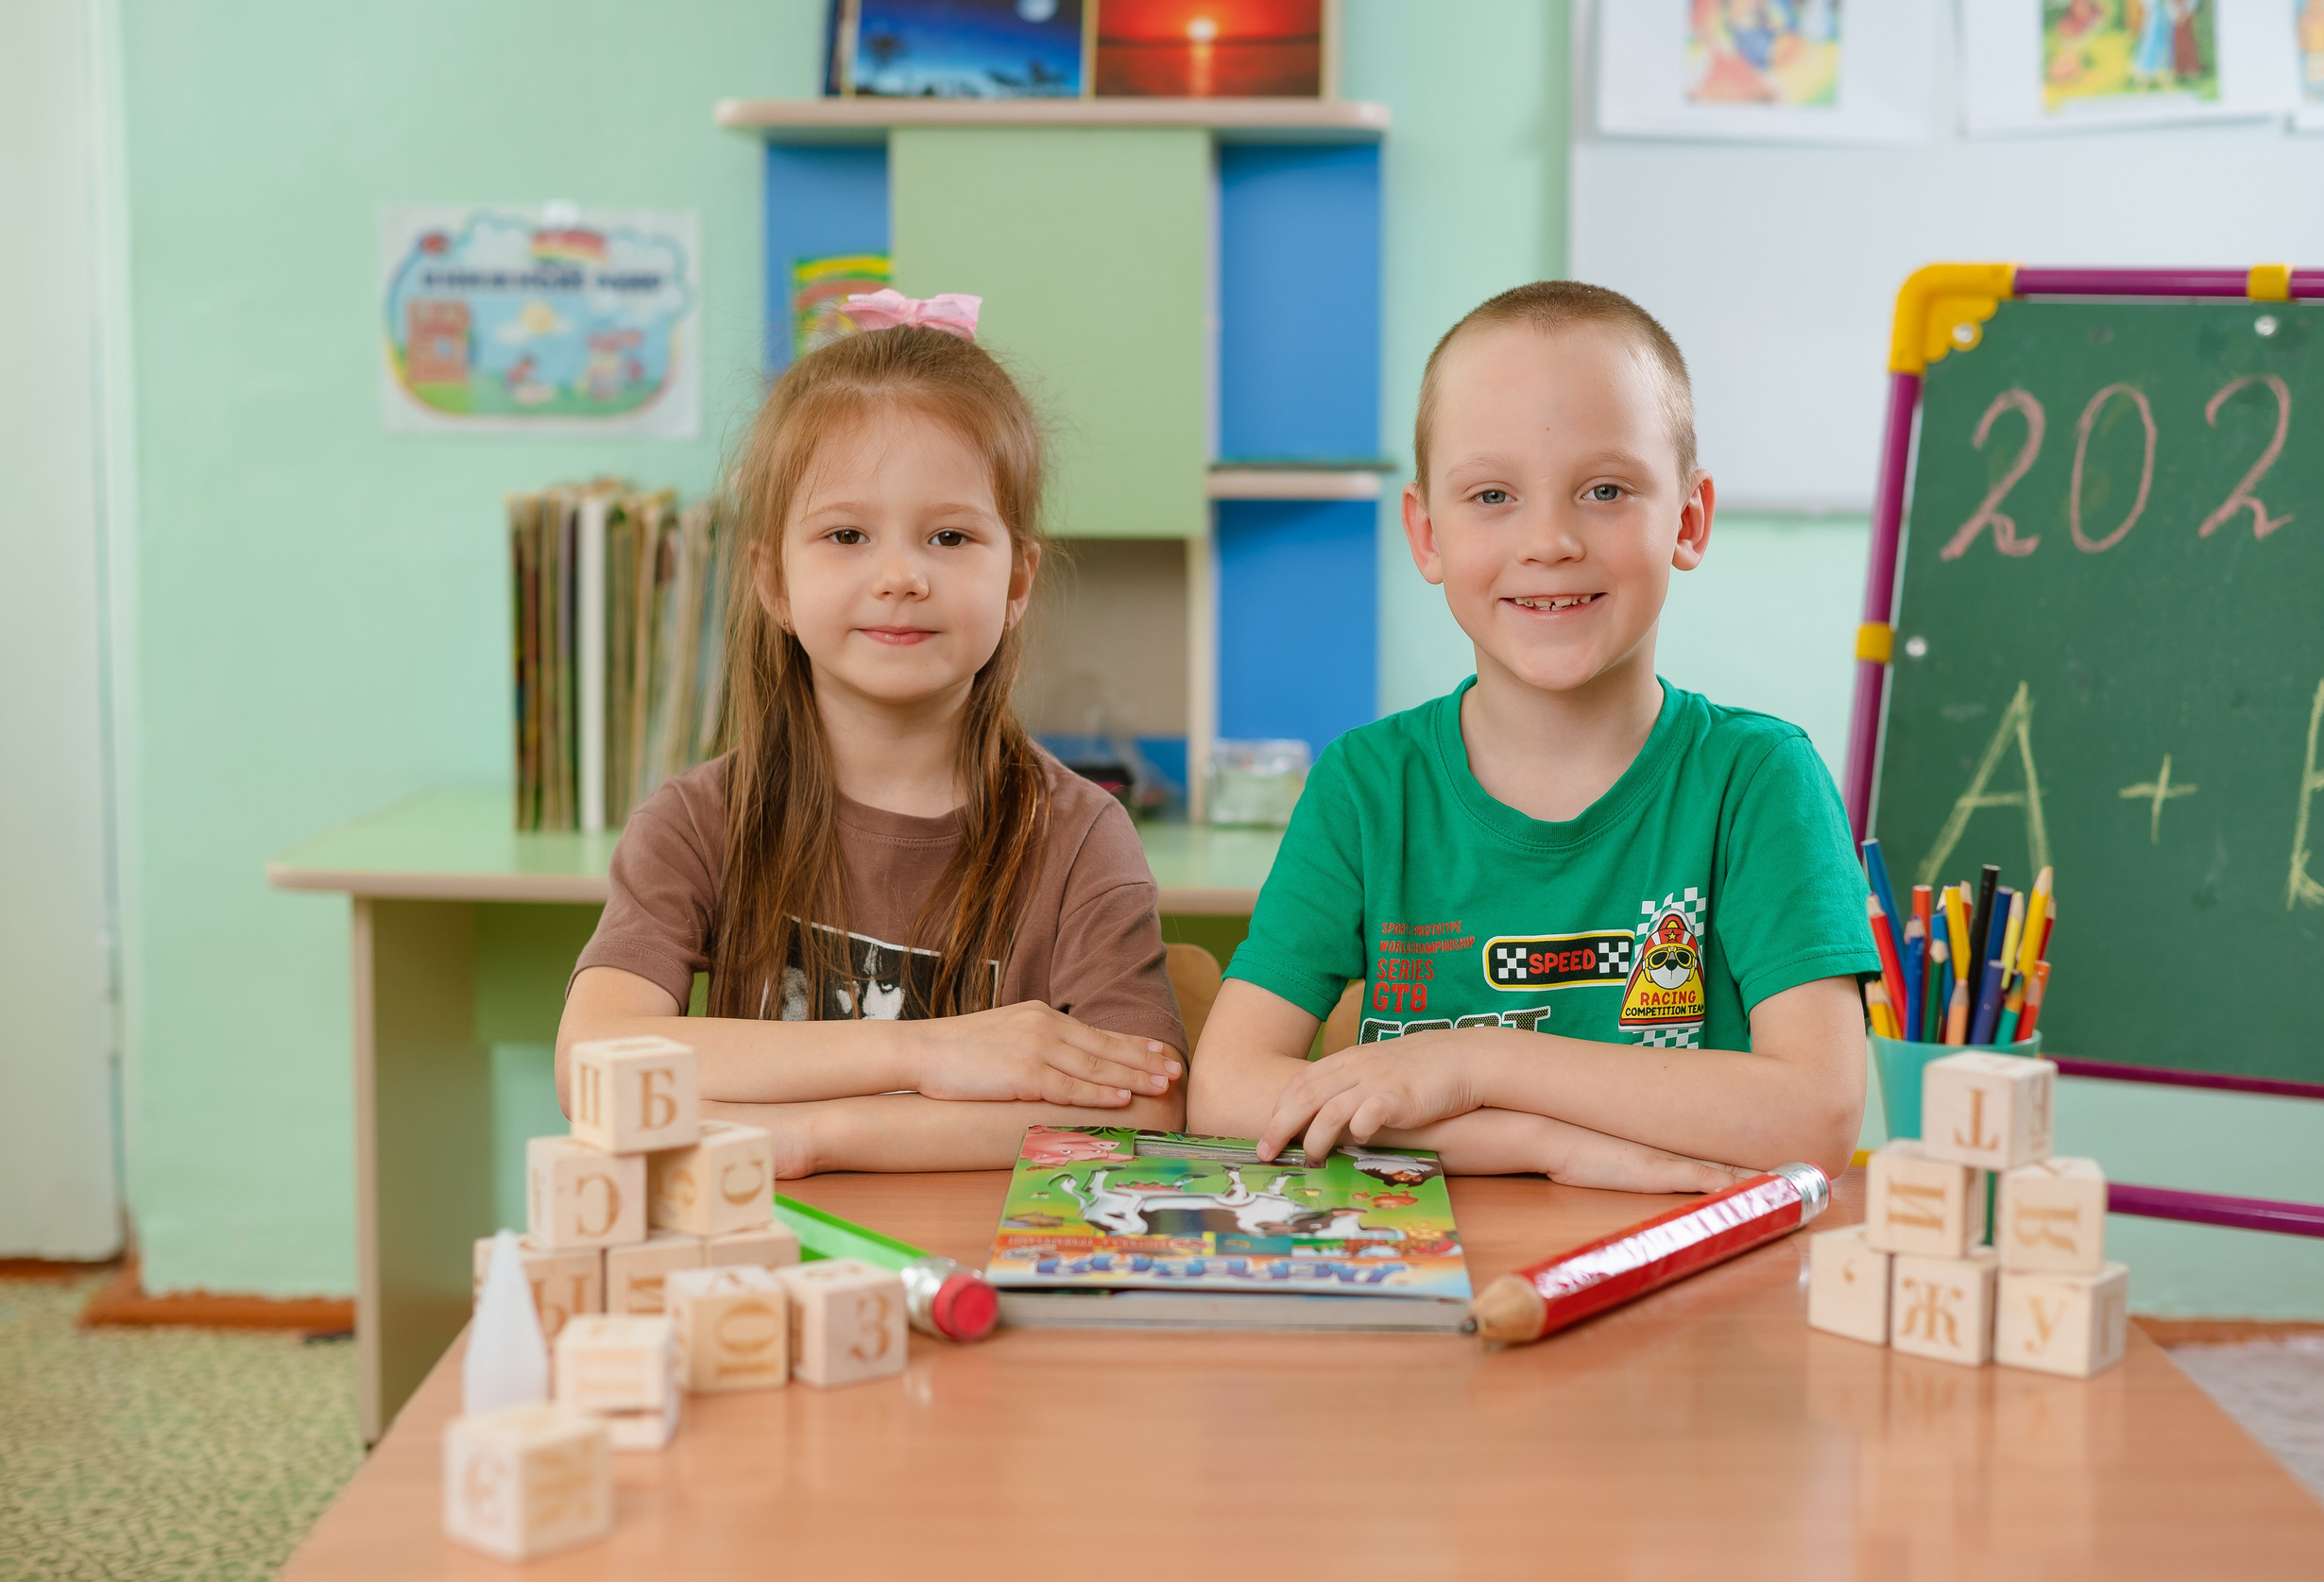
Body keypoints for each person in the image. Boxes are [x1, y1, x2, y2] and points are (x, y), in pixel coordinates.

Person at [1186, 281, 1872, 1192]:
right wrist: (1536, 1145)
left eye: (1605, 489)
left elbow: (1815, 1116)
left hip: (1680, 1294)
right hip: (1418, 1296)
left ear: (1690, 519)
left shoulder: (1758, 781)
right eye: (1494, 494)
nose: (1549, 539)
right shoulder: (1366, 785)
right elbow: (1226, 1092)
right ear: (1427, 534)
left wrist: (1475, 1064)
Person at [556, 291, 1186, 1177]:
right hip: (756, 1264)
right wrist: (923, 1053)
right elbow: (592, 1064)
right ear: (773, 580)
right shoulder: (695, 822)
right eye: (847, 533)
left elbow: (1150, 1106)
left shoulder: (1080, 837)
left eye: (950, 535)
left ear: (1017, 582)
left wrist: (819, 1134)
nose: (900, 575)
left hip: (983, 1271)